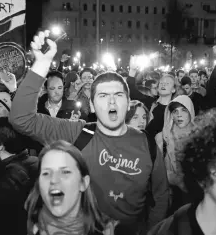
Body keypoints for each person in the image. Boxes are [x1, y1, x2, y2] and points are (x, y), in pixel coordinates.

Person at [9, 31, 169, 232]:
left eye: (118, 95)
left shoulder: (147, 144)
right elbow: (21, 118)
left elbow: (160, 195)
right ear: (92, 105)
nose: (111, 101)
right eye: (103, 95)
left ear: (128, 103)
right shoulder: (77, 133)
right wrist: (42, 63)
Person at [25, 140, 114, 235]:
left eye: (65, 172)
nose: (54, 180)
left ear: (83, 183)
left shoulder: (105, 231)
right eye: (46, 173)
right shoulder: (31, 226)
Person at [155, 95, 195, 213]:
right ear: (170, 114)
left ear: (191, 112)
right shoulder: (161, 137)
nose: (179, 115)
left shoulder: (200, 136)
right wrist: (175, 179)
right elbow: (156, 170)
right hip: (170, 195)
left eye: (184, 110)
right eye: (175, 111)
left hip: (194, 194)